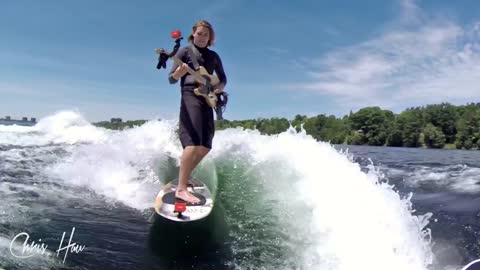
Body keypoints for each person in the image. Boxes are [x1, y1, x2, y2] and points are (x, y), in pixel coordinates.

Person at [168, 20, 227, 204]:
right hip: (190, 96)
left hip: (207, 98)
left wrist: (217, 88)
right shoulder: (184, 52)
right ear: (193, 34)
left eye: (205, 35)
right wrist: (179, 73)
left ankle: (184, 177)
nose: (201, 37)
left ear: (210, 38)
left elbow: (223, 78)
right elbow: (171, 79)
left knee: (206, 145)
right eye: (199, 33)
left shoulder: (214, 56)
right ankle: (181, 189)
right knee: (192, 142)